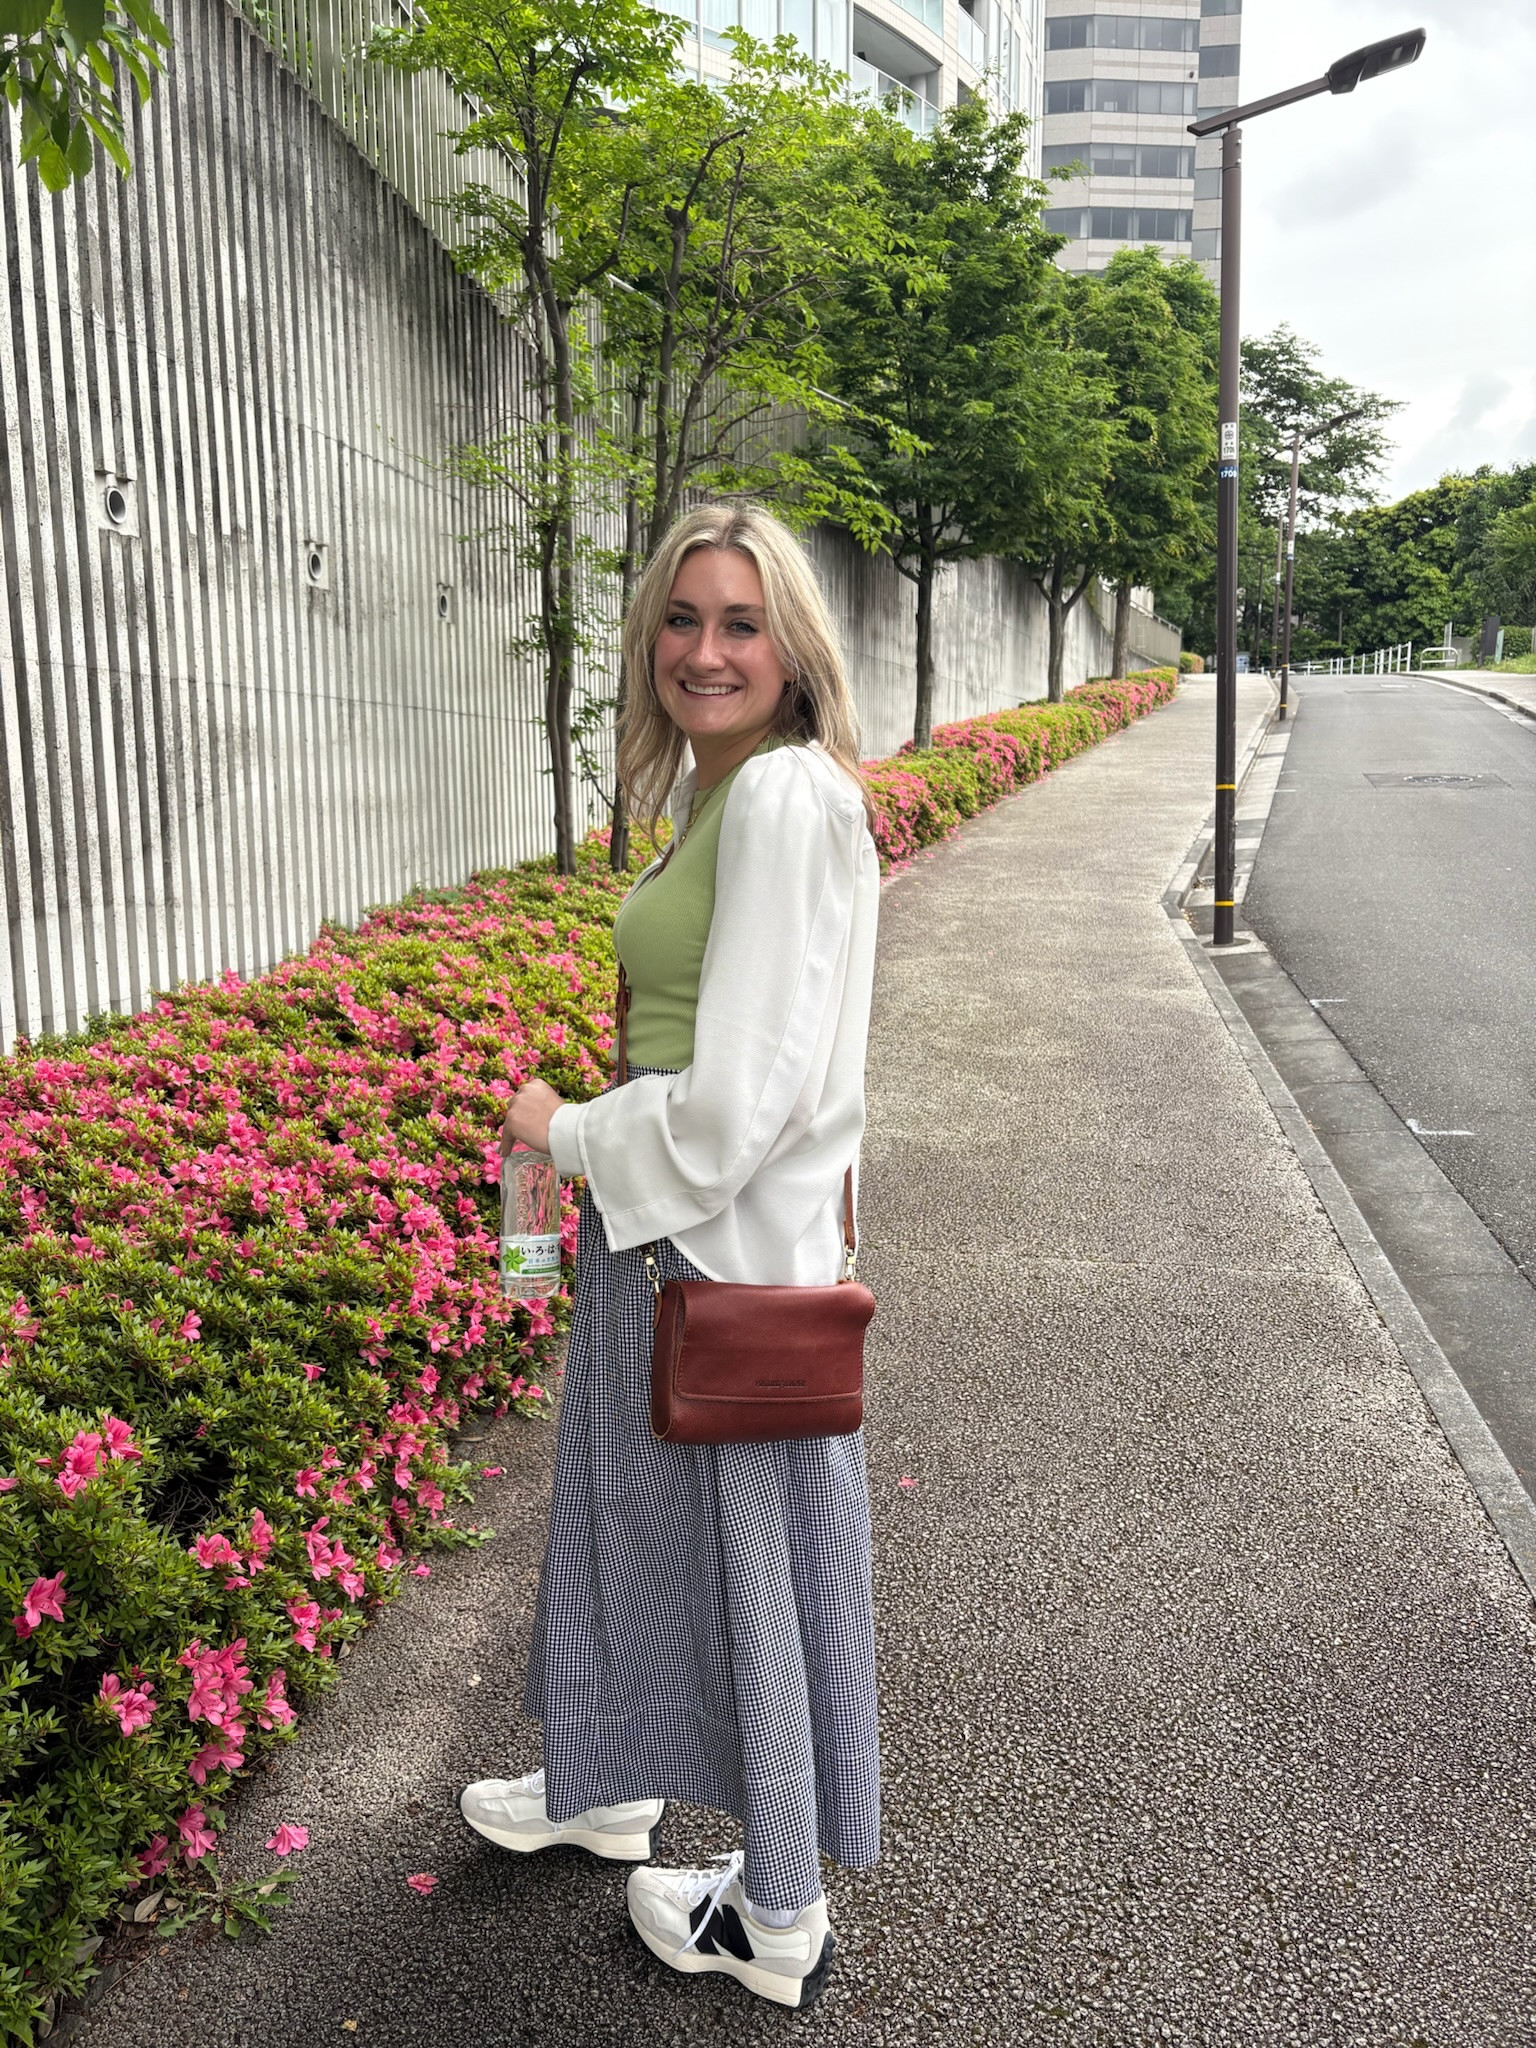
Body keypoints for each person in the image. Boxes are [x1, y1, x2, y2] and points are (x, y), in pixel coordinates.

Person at [458, 503, 882, 2010]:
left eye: (741, 623)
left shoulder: (775, 801)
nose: (705, 650)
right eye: (683, 619)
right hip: (673, 1244)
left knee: (744, 1568)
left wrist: (562, 1133)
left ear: (791, 648)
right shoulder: (730, 793)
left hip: (707, 1253)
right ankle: (607, 1780)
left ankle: (775, 1918)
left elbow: (746, 1096)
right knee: (626, 1525)